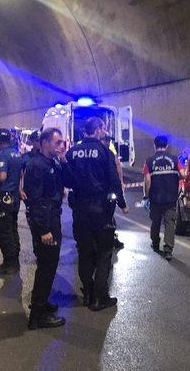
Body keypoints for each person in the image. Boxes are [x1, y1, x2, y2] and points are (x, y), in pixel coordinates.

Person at [66, 118, 127, 311]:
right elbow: (114, 181)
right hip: (100, 211)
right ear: (98, 129)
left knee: (84, 253)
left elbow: (67, 179)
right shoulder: (105, 152)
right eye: (104, 128)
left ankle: (88, 294)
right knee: (103, 253)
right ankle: (100, 298)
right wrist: (122, 204)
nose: (105, 131)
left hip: (80, 211)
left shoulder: (72, 152)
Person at [23, 127, 70, 329]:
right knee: (46, 265)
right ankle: (37, 316)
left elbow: (69, 181)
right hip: (46, 219)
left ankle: (40, 303)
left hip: (52, 216)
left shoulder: (53, 162)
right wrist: (43, 229)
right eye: (57, 142)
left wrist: (64, 159)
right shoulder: (36, 165)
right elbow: (35, 200)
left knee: (49, 264)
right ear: (45, 143)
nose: (61, 146)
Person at [0, 128, 23, 276]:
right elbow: (21, 174)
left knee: (4, 231)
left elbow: (2, 176)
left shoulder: (3, 154)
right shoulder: (16, 153)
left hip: (4, 197)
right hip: (15, 195)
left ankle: (10, 264)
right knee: (12, 228)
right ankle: (13, 260)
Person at [143, 135, 179, 260]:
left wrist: (146, 196)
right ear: (167, 145)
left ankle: (155, 243)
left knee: (156, 221)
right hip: (171, 197)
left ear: (154, 145)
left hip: (155, 198)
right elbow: (183, 174)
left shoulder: (149, 161)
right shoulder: (175, 160)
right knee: (170, 223)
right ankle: (168, 250)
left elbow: (147, 180)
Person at [100, 134, 125, 250]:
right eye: (105, 140)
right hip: (102, 194)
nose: (107, 142)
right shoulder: (106, 153)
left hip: (93, 196)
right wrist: (122, 204)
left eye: (109, 140)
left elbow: (117, 164)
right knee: (107, 220)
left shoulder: (110, 151)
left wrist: (121, 180)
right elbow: (113, 177)